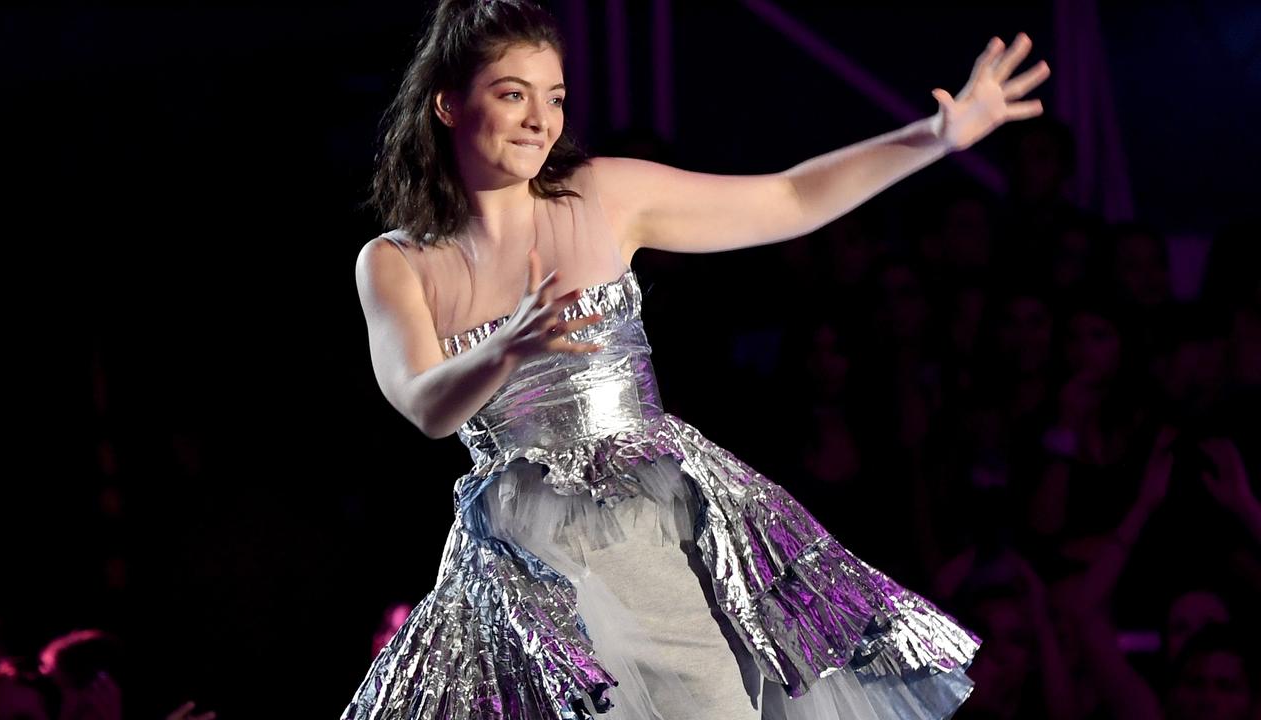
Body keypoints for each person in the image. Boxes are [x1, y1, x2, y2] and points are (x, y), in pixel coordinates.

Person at [344, 1, 1050, 718]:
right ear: (448, 104)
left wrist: (934, 135)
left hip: (653, 525)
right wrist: (508, 347)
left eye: (553, 98)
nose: (539, 119)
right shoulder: (397, 262)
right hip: (527, 565)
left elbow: (791, 196)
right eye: (512, 94)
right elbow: (425, 404)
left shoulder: (604, 194)